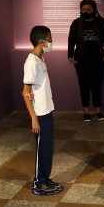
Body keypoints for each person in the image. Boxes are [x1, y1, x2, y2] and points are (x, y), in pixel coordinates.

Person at [23, 25, 63, 196]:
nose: (51, 42)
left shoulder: (40, 59)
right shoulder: (31, 62)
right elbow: (26, 92)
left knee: (47, 147)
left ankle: (45, 178)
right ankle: (39, 183)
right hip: (39, 113)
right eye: (50, 39)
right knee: (42, 148)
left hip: (47, 110)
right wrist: (34, 119)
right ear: (41, 41)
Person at [67, 0, 104, 122]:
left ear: (94, 9)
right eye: (84, 9)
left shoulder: (101, 22)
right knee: (84, 85)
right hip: (81, 58)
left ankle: (98, 110)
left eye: (89, 9)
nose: (86, 12)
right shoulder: (76, 23)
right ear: (81, 10)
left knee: (97, 85)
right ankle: (86, 111)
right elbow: (71, 40)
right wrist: (70, 56)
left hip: (98, 57)